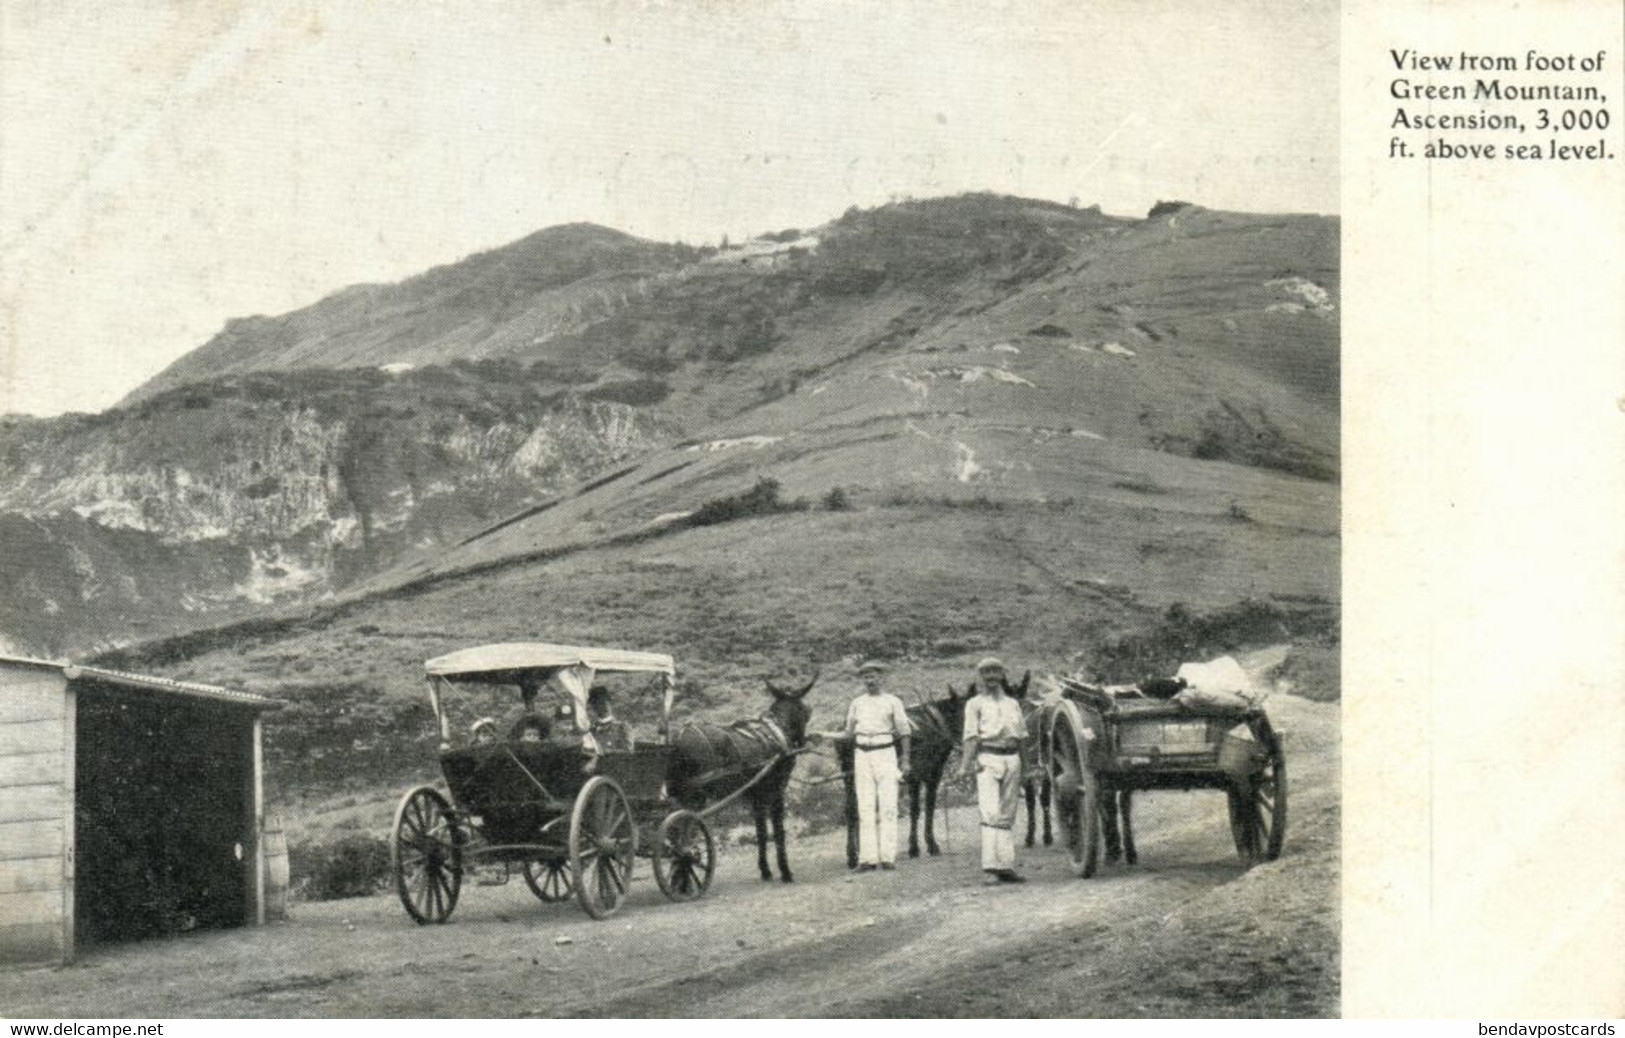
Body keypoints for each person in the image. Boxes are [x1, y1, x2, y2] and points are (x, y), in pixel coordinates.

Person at [957, 657, 1029, 884]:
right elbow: (971, 737)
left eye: (995, 672)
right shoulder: (975, 704)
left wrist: (1026, 768)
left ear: (1002, 674)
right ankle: (990, 867)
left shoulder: (1012, 704)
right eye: (986, 672)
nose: (991, 677)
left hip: (1012, 758)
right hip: (988, 758)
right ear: (980, 676)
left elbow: (1022, 737)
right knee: (989, 813)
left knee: (1007, 813)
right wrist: (964, 767)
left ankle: (1006, 865)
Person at [842, 660, 913, 871]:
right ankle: (867, 859)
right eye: (866, 677)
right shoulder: (857, 703)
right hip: (862, 755)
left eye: (873, 676)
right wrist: (822, 736)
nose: (870, 680)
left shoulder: (892, 702)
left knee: (888, 806)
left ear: (882, 678)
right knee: (865, 807)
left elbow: (905, 732)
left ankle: (888, 857)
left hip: (886, 754)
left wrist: (906, 760)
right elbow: (847, 734)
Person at [587, 686, 633, 751]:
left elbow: (628, 752)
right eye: (599, 704)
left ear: (610, 703)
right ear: (594, 707)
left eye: (605, 702)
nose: (604, 707)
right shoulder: (591, 730)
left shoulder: (622, 727)